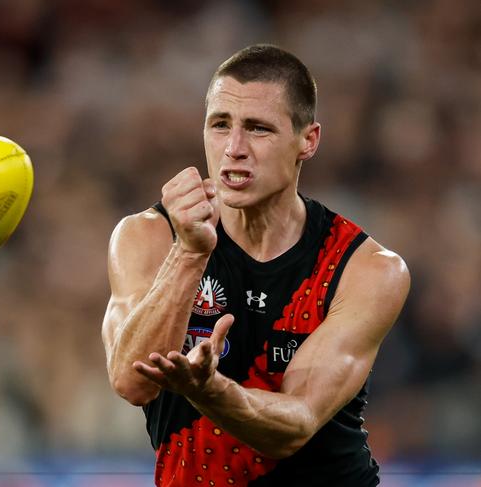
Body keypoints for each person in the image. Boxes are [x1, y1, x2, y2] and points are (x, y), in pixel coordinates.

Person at [102, 44, 410, 487]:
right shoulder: (147, 237)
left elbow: (296, 423)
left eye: (258, 129)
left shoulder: (366, 269)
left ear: (309, 140)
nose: (234, 148)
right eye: (220, 124)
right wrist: (189, 253)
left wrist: (210, 390)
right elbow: (133, 383)